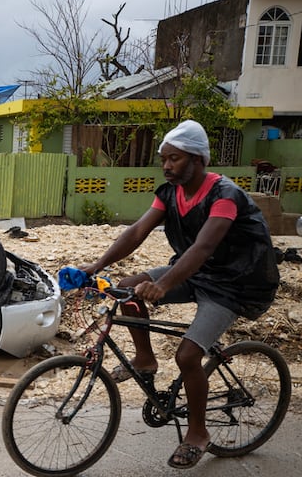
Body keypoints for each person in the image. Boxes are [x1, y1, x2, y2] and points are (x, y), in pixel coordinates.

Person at [79, 119, 279, 470]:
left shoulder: (225, 196)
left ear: (198, 159)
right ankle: (144, 360)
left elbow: (203, 247)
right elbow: (137, 231)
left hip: (234, 283)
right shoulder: (170, 193)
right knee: (127, 288)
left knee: (188, 356)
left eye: (175, 159)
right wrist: (94, 267)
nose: (167, 166)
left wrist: (165, 283)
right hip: (197, 272)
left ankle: (198, 434)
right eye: (164, 160)